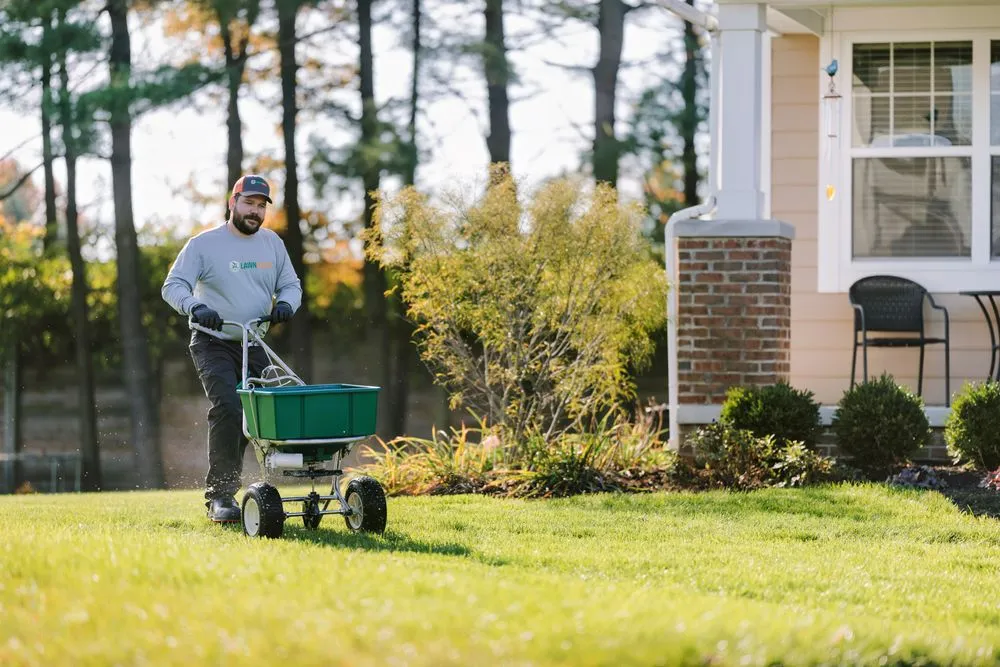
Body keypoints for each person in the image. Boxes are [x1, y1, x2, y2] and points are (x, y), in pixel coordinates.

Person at [162, 174, 302, 523]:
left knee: (274, 409)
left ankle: (285, 482)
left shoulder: (272, 244)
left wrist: (287, 304)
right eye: (248, 203)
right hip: (213, 342)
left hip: (254, 341)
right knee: (229, 405)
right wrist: (195, 306)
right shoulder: (204, 244)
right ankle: (220, 496)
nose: (255, 211)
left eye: (261, 206)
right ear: (232, 203)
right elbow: (173, 286)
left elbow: (291, 285)